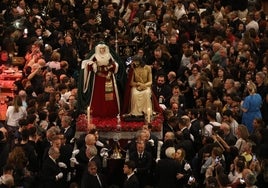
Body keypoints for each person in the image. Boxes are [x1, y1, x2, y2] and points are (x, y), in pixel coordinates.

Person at [77, 42, 125, 117]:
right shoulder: (95, 56)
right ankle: (98, 112)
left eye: (103, 49)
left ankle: (110, 112)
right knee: (98, 95)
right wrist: (93, 65)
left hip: (108, 77)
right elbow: (87, 64)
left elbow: (115, 64)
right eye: (101, 49)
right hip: (98, 79)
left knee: (110, 96)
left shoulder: (109, 55)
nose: (102, 50)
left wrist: (110, 68)